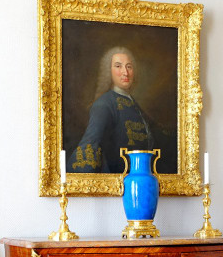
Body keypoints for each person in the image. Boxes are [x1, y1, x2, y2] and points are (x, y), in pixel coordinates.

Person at [67, 46, 176, 174]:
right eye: (118, 66)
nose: (125, 72)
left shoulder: (132, 102)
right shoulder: (104, 104)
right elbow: (90, 144)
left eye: (129, 66)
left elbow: (155, 133)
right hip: (119, 182)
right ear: (109, 71)